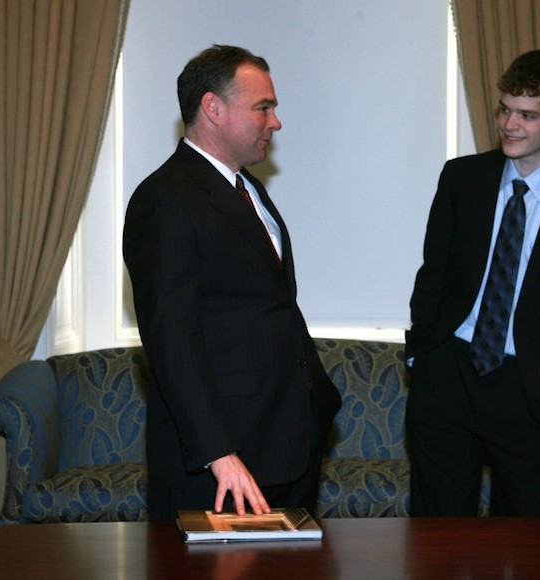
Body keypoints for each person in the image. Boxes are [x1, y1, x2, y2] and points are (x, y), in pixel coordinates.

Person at [123, 45, 342, 521]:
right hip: (224, 465)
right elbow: (171, 339)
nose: (276, 122)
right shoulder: (164, 199)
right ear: (213, 108)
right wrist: (218, 452)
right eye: (263, 107)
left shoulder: (248, 188)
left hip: (287, 443)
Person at [405, 48, 540, 517]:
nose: (510, 124)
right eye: (505, 110)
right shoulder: (463, 178)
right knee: (437, 537)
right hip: (449, 376)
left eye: (527, 115)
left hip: (531, 389)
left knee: (523, 545)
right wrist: (422, 354)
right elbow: (432, 272)